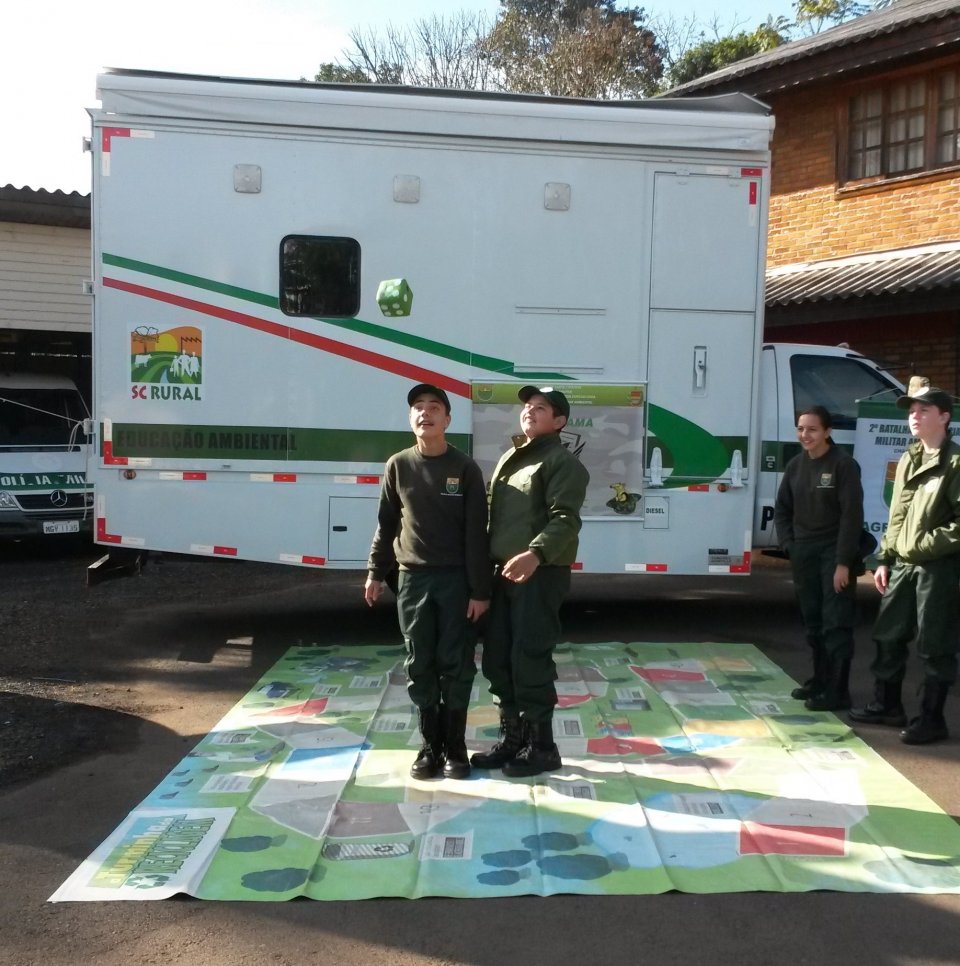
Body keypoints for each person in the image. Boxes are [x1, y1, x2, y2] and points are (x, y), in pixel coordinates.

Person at [365, 383, 491, 779]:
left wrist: (480, 590)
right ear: (411, 419)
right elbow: (386, 525)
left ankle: (455, 749)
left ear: (447, 420)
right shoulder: (397, 465)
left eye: (434, 407)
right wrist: (374, 572)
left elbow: (477, 534)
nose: (425, 412)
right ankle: (429, 748)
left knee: (455, 664)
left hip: (455, 581)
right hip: (413, 580)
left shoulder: (465, 468)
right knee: (420, 662)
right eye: (417, 407)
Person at [471, 385, 589, 777]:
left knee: (530, 657)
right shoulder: (512, 457)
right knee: (498, 657)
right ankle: (513, 740)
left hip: (539, 575)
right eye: (527, 406)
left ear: (559, 422)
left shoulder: (562, 463)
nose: (530, 412)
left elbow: (566, 521)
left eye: (541, 408)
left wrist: (535, 554)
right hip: (502, 574)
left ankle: (543, 748)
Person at [849, 380, 960, 745]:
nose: (914, 416)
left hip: (937, 567)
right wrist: (885, 556)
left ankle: (932, 719)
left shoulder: (955, 462)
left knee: (935, 644)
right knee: (888, 634)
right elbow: (897, 512)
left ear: (944, 417)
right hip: (902, 564)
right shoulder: (911, 455)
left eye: (923, 410)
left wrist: (922, 546)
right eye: (911, 411)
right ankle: (887, 704)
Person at [774, 405, 865, 712]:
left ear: (827, 432)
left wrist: (843, 562)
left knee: (836, 623)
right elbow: (783, 509)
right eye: (801, 428)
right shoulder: (796, 466)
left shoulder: (844, 465)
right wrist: (790, 545)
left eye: (812, 429)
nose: (805, 435)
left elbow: (852, 517)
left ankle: (838, 692)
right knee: (813, 622)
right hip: (805, 553)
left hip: (834, 553)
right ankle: (820, 680)